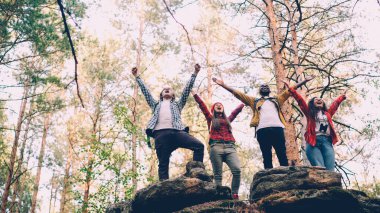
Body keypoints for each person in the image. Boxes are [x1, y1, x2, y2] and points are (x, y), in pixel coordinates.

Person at [212, 76, 313, 169]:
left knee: (282, 153)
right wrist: (223, 85)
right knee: (266, 155)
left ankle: (286, 174)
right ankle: (268, 177)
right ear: (260, 91)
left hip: (277, 129)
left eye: (266, 86)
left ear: (269, 90)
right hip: (262, 130)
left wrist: (304, 81)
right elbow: (239, 94)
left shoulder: (277, 99)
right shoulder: (254, 101)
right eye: (262, 86)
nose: (264, 87)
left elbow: (289, 91)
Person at [132, 65, 204, 181]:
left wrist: (195, 73)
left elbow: (186, 90)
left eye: (169, 89)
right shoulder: (155, 105)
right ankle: (164, 188)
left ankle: (197, 174)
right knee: (163, 163)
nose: (167, 89)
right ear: (161, 94)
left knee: (199, 146)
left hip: (177, 132)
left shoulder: (177, 104)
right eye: (164, 89)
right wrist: (137, 76)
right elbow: (146, 92)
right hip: (160, 134)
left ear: (173, 94)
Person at [191, 90, 244, 199]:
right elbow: (203, 106)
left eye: (221, 105)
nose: (219, 106)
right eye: (217, 105)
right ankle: (219, 197)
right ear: (213, 109)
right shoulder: (211, 119)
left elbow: (234, 113)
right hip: (216, 147)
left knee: (237, 170)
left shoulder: (227, 120)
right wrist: (195, 94)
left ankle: (234, 194)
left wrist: (242, 104)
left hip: (230, 147)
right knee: (218, 175)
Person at [284, 82, 347, 171]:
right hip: (314, 142)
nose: (319, 99)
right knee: (320, 169)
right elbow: (300, 101)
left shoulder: (328, 114)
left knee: (330, 171)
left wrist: (342, 97)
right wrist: (292, 90)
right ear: (312, 104)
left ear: (323, 104)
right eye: (316, 99)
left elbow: (335, 105)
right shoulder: (309, 113)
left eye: (320, 99)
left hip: (327, 142)